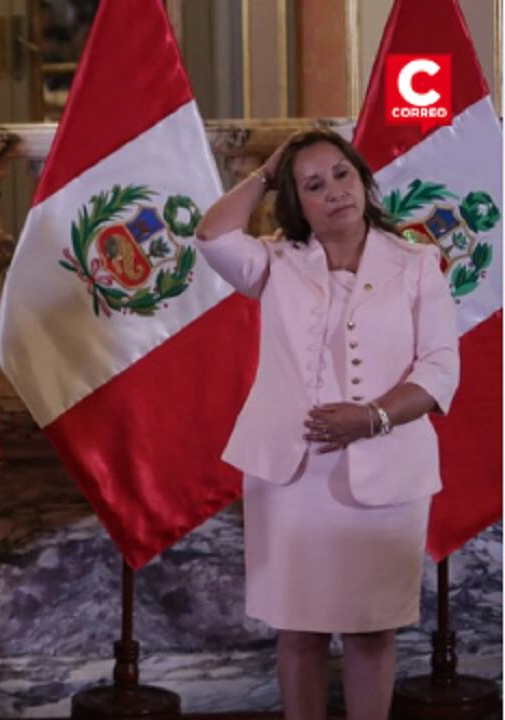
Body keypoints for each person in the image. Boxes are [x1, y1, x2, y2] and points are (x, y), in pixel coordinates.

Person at [195, 129, 459, 720]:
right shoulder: (275, 262)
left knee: (372, 632)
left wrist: (373, 417)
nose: (334, 191)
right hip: (293, 477)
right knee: (300, 632)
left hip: (388, 474)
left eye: (341, 175)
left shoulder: (417, 264)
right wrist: (266, 173)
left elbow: (442, 369)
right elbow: (211, 234)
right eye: (313, 185)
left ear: (362, 180)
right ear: (296, 204)